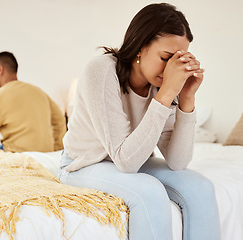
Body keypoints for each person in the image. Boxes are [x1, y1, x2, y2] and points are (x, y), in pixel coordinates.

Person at [59, 3, 220, 240]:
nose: (171, 69)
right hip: (83, 164)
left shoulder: (161, 86)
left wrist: (186, 98)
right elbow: (126, 162)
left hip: (130, 158)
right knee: (149, 192)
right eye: (166, 58)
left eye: (178, 60)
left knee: (201, 187)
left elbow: (178, 161)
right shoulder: (101, 70)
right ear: (140, 47)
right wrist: (167, 93)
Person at [0, 51, 66, 153]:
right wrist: (55, 149)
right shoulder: (39, 92)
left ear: (0, 70)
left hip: (18, 152)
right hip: (46, 152)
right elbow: (60, 119)